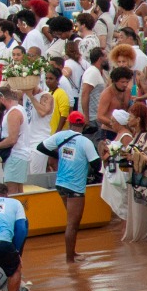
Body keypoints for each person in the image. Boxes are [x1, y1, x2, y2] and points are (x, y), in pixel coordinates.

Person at [39, 112, 103, 263]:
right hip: (75, 187)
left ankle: (72, 253)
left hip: (60, 184)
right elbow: (96, 164)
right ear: (83, 125)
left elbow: (40, 147)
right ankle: (70, 260)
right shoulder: (85, 142)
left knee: (71, 222)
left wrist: (58, 155)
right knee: (73, 224)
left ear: (69, 123)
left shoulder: (60, 136)